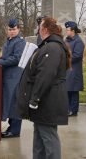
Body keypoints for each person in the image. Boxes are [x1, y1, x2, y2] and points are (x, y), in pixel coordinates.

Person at [17, 17, 70, 159]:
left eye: (39, 27)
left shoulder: (52, 47)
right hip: (45, 100)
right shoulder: (49, 45)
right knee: (39, 135)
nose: (38, 29)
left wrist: (35, 98)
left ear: (45, 29)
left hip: (47, 100)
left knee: (48, 137)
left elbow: (45, 76)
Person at [0, 18, 26, 138]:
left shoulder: (20, 42)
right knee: (10, 103)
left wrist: (0, 62)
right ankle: (11, 127)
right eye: (9, 29)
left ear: (18, 29)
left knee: (15, 104)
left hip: (15, 77)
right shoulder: (9, 41)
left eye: (14, 29)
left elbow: (16, 58)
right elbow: (6, 56)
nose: (11, 31)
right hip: (7, 76)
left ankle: (15, 130)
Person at [65, 21, 85, 117]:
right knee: (68, 89)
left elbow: (77, 55)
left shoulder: (78, 41)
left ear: (73, 31)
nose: (66, 31)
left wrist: (66, 59)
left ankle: (73, 110)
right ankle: (68, 108)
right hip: (68, 69)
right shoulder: (67, 40)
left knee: (73, 90)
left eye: (68, 30)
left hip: (74, 69)